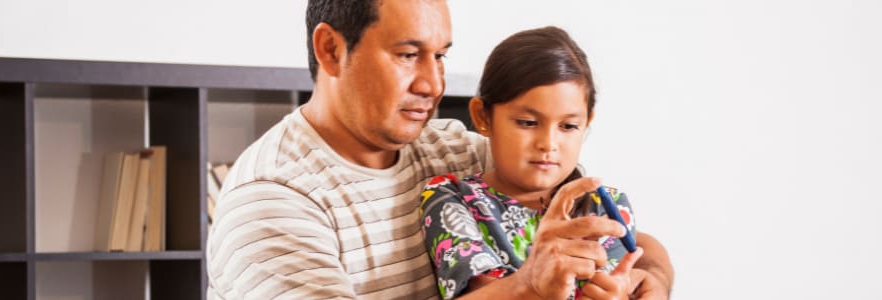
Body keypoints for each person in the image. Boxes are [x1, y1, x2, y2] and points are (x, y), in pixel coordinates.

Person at [206, 0, 673, 299]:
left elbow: (616, 233)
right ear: (331, 49)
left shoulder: (454, 150)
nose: (432, 83)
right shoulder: (273, 199)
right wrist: (528, 285)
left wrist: (647, 277)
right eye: (408, 55)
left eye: (440, 55)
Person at [420, 26, 642, 300]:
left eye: (569, 126)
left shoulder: (607, 207)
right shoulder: (451, 199)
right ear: (483, 117)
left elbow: (626, 275)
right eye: (528, 123)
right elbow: (477, 292)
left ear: (586, 124)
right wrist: (534, 285)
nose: (548, 143)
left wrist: (619, 292)